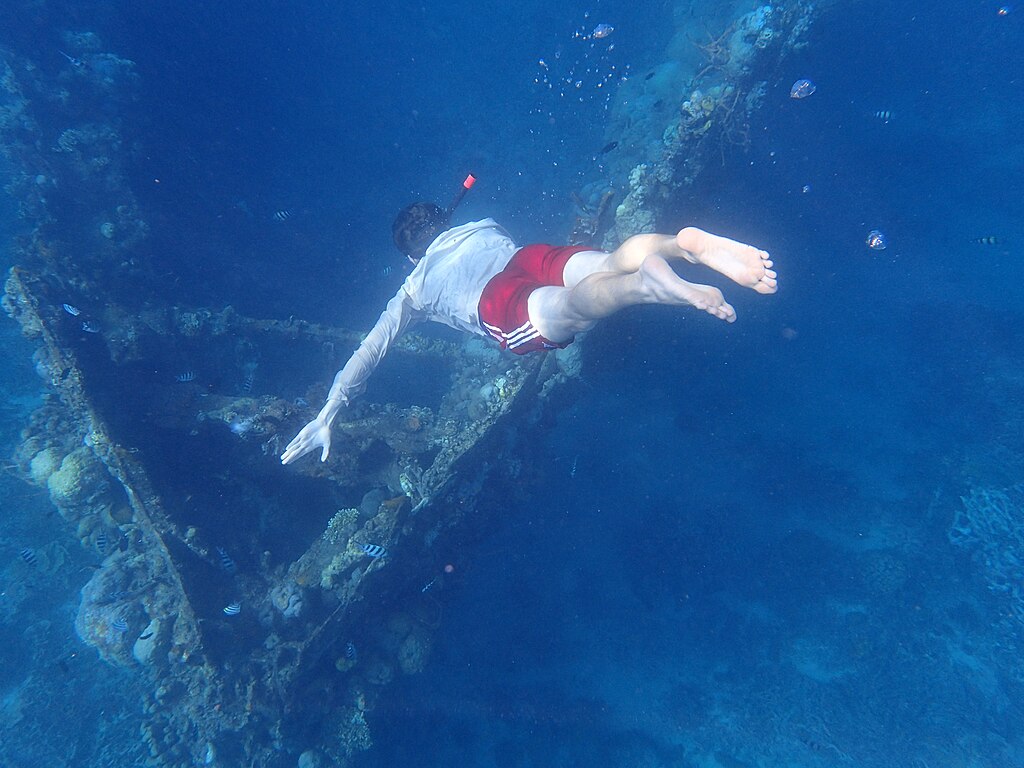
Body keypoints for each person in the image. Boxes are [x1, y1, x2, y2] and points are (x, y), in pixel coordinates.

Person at [280, 201, 777, 465]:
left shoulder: (413, 288)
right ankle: (677, 244)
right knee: (604, 262)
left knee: (574, 311)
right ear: (445, 221)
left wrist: (330, 410)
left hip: (496, 300)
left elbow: (370, 350)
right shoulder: (483, 224)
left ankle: (644, 286)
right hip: (527, 257)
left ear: (411, 256)